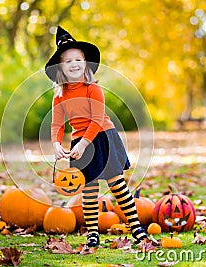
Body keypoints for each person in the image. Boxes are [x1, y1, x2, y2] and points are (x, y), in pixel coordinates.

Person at [45, 26, 148, 247]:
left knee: (116, 184)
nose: (73, 64)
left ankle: (136, 228)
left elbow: (97, 119)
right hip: (80, 143)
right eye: (67, 61)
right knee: (89, 189)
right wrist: (56, 144)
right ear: (60, 68)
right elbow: (56, 124)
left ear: (85, 63)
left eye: (78, 59)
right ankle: (93, 232)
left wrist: (84, 143)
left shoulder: (93, 89)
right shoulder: (60, 96)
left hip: (102, 137)